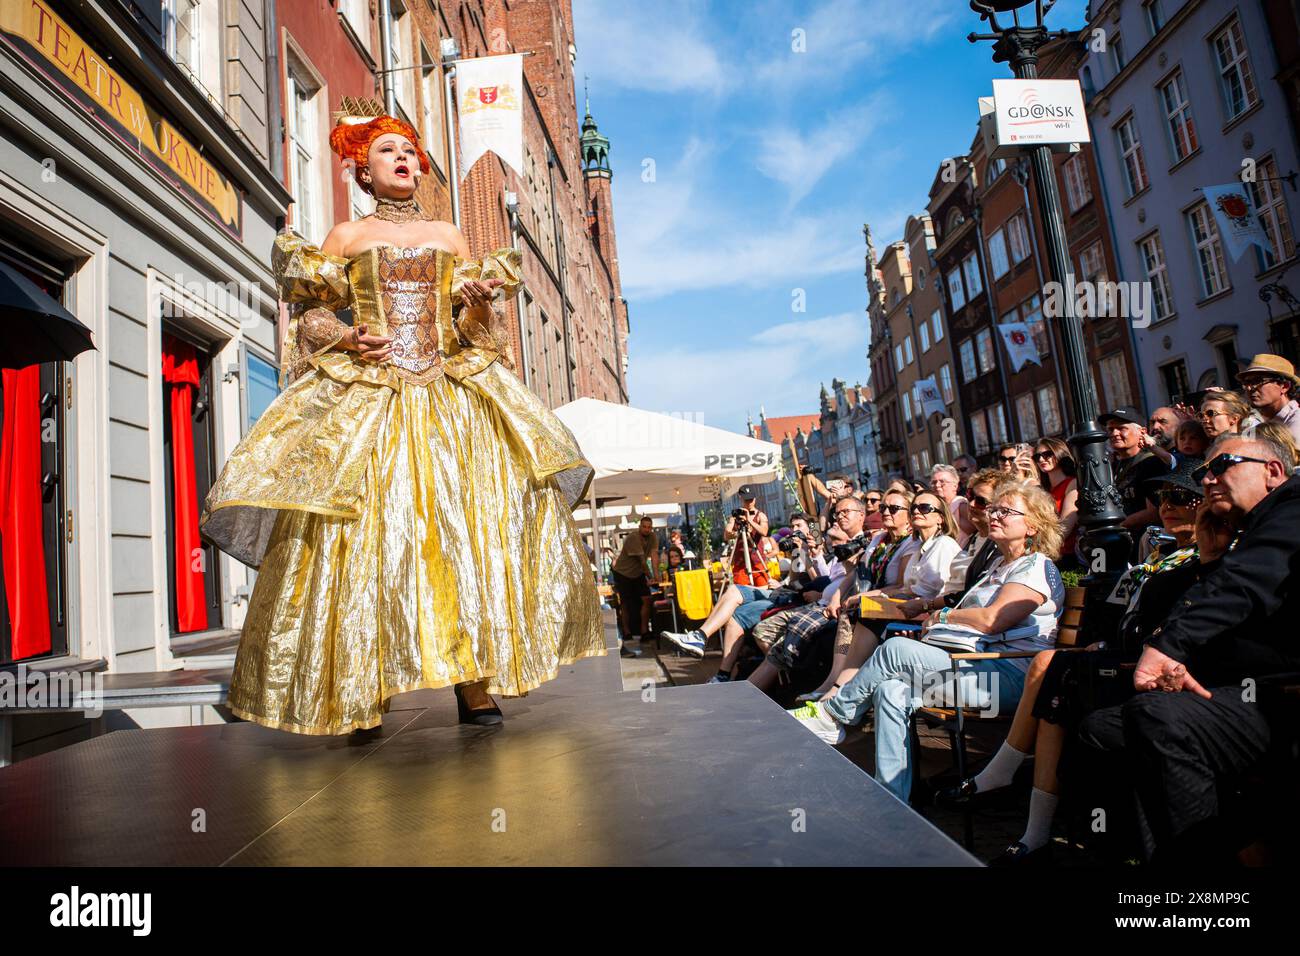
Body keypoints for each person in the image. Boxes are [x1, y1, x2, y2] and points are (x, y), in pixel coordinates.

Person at [200, 106, 603, 735]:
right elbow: (309, 321)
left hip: (449, 400)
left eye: (410, 151)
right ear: (364, 171)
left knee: (462, 536)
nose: (404, 159)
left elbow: (479, 337)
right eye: (389, 152)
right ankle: (366, 688)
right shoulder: (343, 239)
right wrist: (347, 336)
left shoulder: (452, 236)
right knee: (368, 542)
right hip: (373, 403)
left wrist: (472, 309)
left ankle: (475, 687)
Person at [938, 463, 1224, 864]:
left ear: (1207, 508)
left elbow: (1181, 621)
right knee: (1055, 688)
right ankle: (1033, 831)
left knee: (1049, 669)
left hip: (1151, 669)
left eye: (1180, 498)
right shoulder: (1159, 552)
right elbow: (1122, 612)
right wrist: (1103, 641)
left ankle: (1009, 783)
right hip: (1117, 656)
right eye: (1162, 498)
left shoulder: (1202, 560)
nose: (1167, 506)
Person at [1076, 433, 1300, 863]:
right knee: (1102, 728)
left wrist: (1169, 647)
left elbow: (1245, 585)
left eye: (1221, 466)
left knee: (1157, 715)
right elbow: (1237, 608)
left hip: (1282, 696)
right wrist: (1212, 560)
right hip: (1247, 687)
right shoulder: (1247, 530)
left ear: (1272, 472)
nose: (1208, 479)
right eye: (1203, 472)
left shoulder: (1292, 507)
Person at [788, 479, 1064, 803]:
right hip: (972, 668)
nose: (994, 515)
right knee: (891, 690)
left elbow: (992, 621)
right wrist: (938, 614)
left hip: (1004, 681)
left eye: (1006, 511)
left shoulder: (1035, 568)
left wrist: (944, 617)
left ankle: (836, 715)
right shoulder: (999, 565)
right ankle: (890, 798)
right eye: (994, 509)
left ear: (1032, 525)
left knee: (895, 650)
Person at [1101, 405, 1165, 551]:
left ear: (1142, 431)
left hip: (1147, 546)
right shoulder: (1114, 465)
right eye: (1110, 429)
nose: (1114, 433)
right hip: (1124, 545)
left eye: (1122, 428)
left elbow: (1154, 511)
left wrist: (1117, 525)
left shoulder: (1150, 462)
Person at [611, 516, 659, 653]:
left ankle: (644, 631)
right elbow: (642, 562)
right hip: (623, 573)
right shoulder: (633, 538)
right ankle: (627, 632)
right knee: (625, 603)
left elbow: (654, 556)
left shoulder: (653, 537)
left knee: (647, 599)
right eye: (644, 526)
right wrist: (651, 577)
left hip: (637, 574)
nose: (647, 529)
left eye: (649, 527)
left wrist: (657, 576)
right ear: (639, 527)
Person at [1034, 437, 1080, 570]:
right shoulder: (1042, 490)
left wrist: (1039, 549)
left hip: (1065, 556)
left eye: (1047, 454)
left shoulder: (1072, 483)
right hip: (1044, 555)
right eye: (1037, 457)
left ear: (1059, 453)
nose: (1042, 460)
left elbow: (1065, 527)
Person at [1239, 353, 1300, 446]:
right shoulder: (1253, 420)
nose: (1249, 388)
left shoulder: (1297, 420)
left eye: (1258, 381)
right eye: (1247, 382)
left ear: (1284, 386)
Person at [931, 463, 974, 546]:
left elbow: (979, 533)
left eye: (942, 482)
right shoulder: (938, 509)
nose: (937, 485)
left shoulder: (960, 506)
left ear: (955, 486)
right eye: (934, 482)